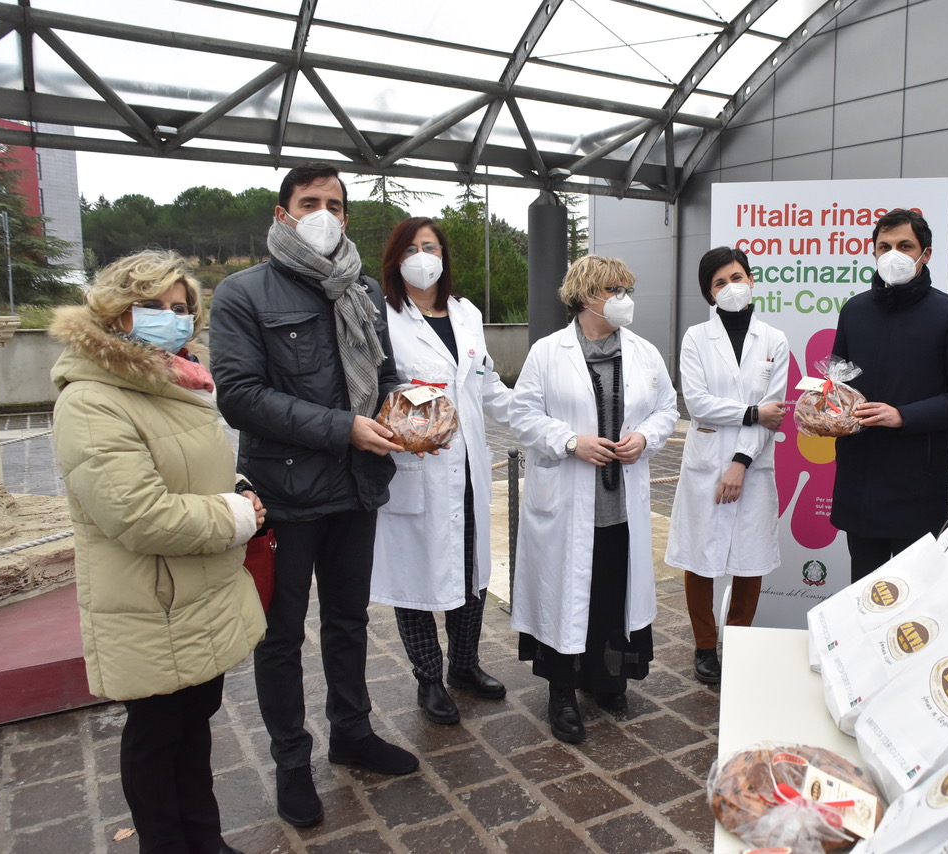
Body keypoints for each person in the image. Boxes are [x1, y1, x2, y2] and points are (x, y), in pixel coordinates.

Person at [210, 162, 417, 829]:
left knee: (350, 622)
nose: (323, 212)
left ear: (347, 217)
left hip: (357, 487)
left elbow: (384, 375)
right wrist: (344, 428)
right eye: (308, 202)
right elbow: (240, 396)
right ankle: (292, 764)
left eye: (334, 203)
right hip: (286, 494)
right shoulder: (243, 293)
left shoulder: (359, 290)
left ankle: (351, 734)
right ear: (282, 214)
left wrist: (411, 414)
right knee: (281, 637)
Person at [51, 250, 266, 854]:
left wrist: (237, 490)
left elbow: (192, 472)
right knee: (156, 737)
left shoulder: (173, 382)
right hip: (152, 602)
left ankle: (206, 838)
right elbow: (138, 514)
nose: (169, 319)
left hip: (194, 593)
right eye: (151, 307)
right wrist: (235, 514)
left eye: (180, 308)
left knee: (193, 729)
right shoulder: (93, 400)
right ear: (117, 314)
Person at [509, 255, 679, 744]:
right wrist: (569, 442)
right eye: (613, 290)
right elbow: (523, 415)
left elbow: (667, 407)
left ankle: (607, 680)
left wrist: (645, 437)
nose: (624, 299)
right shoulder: (547, 352)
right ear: (585, 296)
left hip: (623, 505)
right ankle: (562, 691)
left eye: (627, 288)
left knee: (610, 590)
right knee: (566, 595)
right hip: (566, 501)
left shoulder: (644, 353)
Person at [370, 217, 512, 724]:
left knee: (469, 573)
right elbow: (370, 389)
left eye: (430, 246)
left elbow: (486, 384)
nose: (422, 256)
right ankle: (428, 679)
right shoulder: (381, 315)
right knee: (417, 579)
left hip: (468, 467)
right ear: (395, 259)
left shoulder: (465, 313)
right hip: (416, 468)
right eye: (411, 247)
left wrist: (540, 417)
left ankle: (465, 667)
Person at [830, 208, 948, 581]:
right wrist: (825, 410)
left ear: (926, 254)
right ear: (872, 252)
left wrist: (904, 415)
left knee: (912, 598)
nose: (893, 254)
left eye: (905, 245)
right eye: (884, 246)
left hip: (917, 480)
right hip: (860, 477)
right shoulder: (855, 310)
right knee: (862, 593)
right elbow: (838, 383)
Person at [665, 246, 788, 684]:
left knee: (748, 560)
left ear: (751, 280)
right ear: (709, 294)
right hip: (705, 462)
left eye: (737, 277)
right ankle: (704, 646)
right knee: (700, 557)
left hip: (751, 464)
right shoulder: (696, 338)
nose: (731, 287)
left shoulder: (774, 340)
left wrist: (740, 461)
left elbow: (776, 410)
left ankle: (736, 641)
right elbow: (697, 403)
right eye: (720, 283)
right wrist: (752, 413)